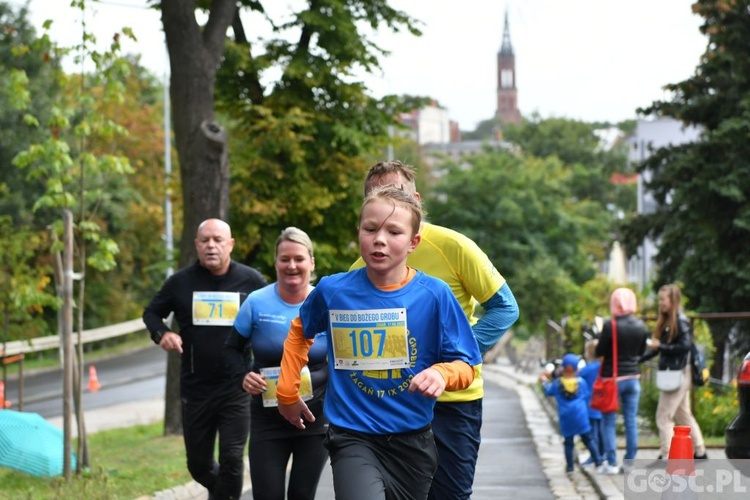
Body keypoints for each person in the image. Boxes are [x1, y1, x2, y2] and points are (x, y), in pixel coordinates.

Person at [276, 186, 483, 500]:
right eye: (370, 229)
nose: (380, 239)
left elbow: (466, 365)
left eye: (394, 231)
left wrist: (442, 374)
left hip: (412, 441)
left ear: (414, 242)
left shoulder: (435, 295)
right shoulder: (334, 291)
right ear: (359, 231)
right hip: (352, 436)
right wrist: (287, 391)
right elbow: (299, 332)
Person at [350, 160, 519, 500]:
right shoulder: (362, 265)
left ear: (415, 199)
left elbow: (505, 308)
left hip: (452, 401)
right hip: (392, 403)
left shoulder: (453, 246)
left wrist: (457, 354)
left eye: (394, 194)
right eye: (376, 196)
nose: (385, 206)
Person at [143, 218, 267, 499]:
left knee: (233, 460)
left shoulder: (251, 281)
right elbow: (151, 313)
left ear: (230, 244)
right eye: (205, 240)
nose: (211, 245)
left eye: (218, 239)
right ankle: (221, 492)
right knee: (198, 466)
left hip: (237, 386)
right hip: (196, 388)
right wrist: (162, 333)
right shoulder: (180, 282)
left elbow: (270, 313)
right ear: (197, 245)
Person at [224, 227, 329, 500]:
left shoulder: (327, 303)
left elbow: (342, 360)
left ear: (311, 263)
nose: (291, 265)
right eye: (285, 259)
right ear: (276, 263)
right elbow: (231, 349)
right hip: (267, 419)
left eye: (299, 258)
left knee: (301, 495)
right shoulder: (257, 302)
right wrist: (243, 375)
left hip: (314, 418)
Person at [641, 283, 707, 460]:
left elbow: (684, 346)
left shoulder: (680, 321)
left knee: (663, 416)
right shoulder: (668, 322)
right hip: (674, 372)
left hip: (679, 372)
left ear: (673, 300)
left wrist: (660, 345)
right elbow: (659, 349)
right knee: (682, 413)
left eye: (663, 299)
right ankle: (699, 450)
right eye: (659, 299)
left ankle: (667, 454)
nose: (660, 303)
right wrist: (640, 359)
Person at [594, 287, 649, 474]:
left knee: (608, 421)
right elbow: (641, 353)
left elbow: (599, 351)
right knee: (631, 421)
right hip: (634, 378)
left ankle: (611, 463)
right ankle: (630, 462)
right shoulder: (641, 325)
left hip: (613, 380)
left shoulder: (611, 325)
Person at [539, 353, 603, 474]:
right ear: (577, 369)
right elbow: (586, 395)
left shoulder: (557, 383)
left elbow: (548, 391)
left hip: (566, 417)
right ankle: (598, 461)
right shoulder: (581, 382)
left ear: (562, 368)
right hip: (581, 416)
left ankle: (570, 467)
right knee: (588, 440)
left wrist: (544, 381)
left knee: (568, 442)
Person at [578, 339, 605, 468]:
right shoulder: (603, 367)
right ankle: (603, 454)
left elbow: (577, 378)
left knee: (592, 433)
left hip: (590, 404)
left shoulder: (587, 369)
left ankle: (594, 457)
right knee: (602, 431)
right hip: (603, 403)